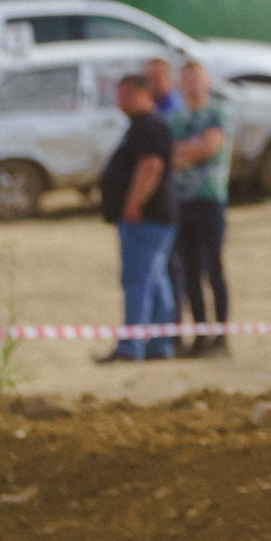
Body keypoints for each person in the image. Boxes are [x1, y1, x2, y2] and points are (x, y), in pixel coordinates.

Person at [98, 73, 179, 363]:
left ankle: (131, 346)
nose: (120, 102)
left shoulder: (149, 126)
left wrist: (133, 203)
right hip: (151, 218)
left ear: (143, 94)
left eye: (126, 94)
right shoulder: (141, 127)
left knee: (139, 280)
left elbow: (151, 165)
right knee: (155, 280)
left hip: (145, 218)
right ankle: (158, 343)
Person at [168, 60, 234, 357]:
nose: (192, 83)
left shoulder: (218, 113)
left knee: (214, 268)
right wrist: (192, 151)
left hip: (210, 200)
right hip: (183, 202)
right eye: (187, 78)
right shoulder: (175, 119)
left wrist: (187, 152)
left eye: (197, 77)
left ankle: (221, 336)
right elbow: (169, 155)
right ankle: (200, 335)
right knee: (189, 271)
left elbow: (210, 147)